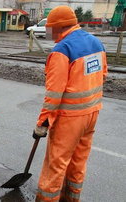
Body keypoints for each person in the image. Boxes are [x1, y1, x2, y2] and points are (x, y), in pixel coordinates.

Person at [33, 6, 107, 202]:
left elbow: (54, 94)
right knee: (78, 161)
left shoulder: (62, 49)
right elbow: (103, 75)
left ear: (57, 27)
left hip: (69, 119)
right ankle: (71, 198)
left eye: (50, 28)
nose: (48, 32)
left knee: (56, 164)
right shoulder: (96, 43)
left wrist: (43, 122)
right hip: (92, 114)